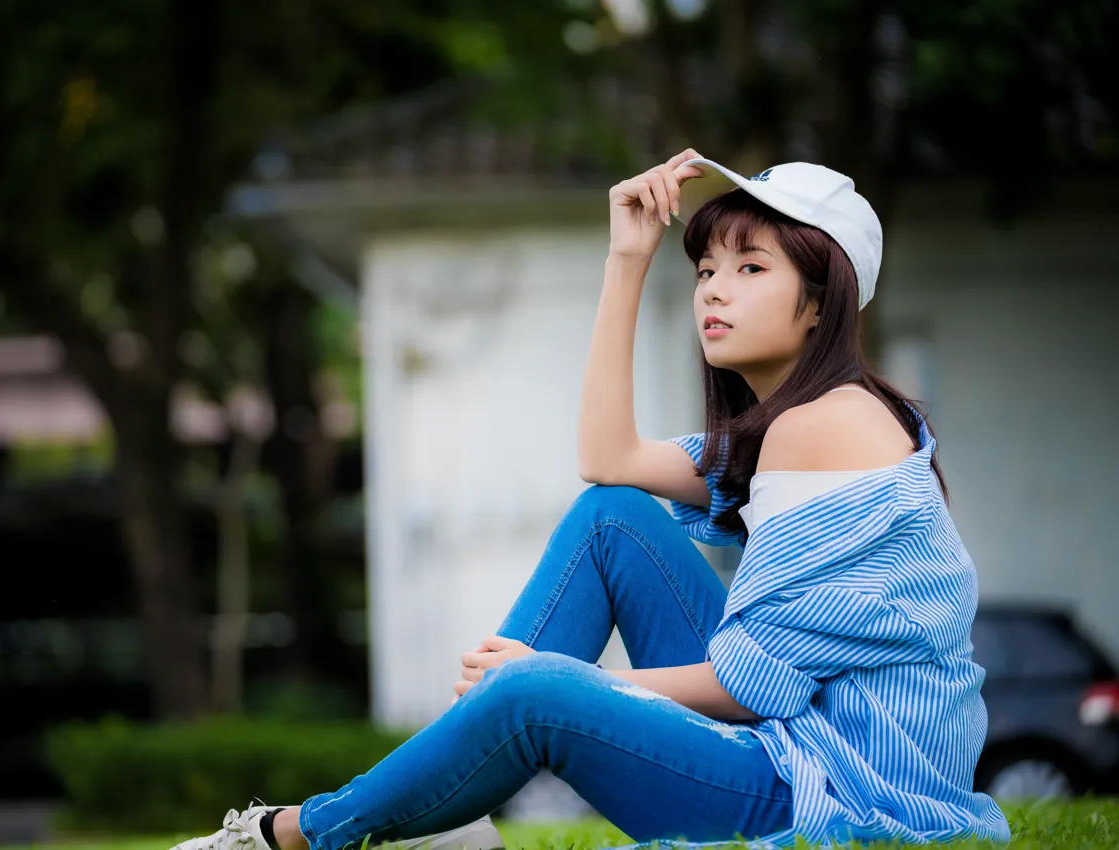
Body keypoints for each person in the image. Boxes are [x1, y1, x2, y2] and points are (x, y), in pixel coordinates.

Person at [171, 150, 1012, 849]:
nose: (714, 290)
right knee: (615, 520)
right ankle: (442, 803)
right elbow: (608, 461)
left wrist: (558, 675)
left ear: (821, 298)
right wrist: (628, 257)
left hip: (833, 794)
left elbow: (750, 689)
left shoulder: (826, 427)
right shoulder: (793, 425)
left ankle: (295, 835)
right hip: (796, 753)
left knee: (537, 689)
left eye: (752, 268)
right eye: (708, 266)